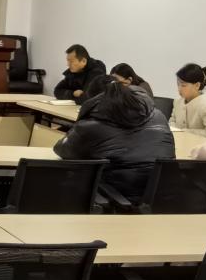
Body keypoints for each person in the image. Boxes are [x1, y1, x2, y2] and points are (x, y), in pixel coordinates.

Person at [53, 75, 174, 203]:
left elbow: (62, 150)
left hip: (120, 198)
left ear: (93, 100)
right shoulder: (158, 115)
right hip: (163, 197)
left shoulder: (91, 126)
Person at [170, 63, 206, 137]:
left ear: (197, 85)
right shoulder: (177, 101)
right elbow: (172, 121)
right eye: (178, 84)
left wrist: (185, 132)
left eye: (183, 85)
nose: (179, 89)